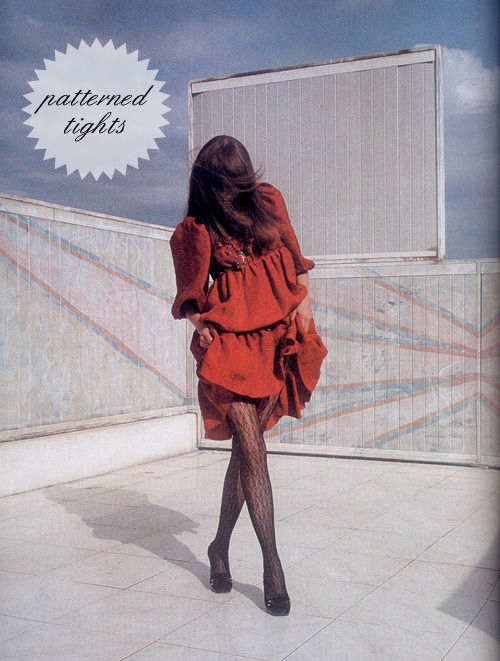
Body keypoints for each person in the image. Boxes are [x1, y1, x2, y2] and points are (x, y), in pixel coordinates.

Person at [170, 135, 327, 616]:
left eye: (236, 179)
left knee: (246, 452)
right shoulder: (197, 229)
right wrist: (201, 327)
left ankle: (219, 547)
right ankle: (272, 566)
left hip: (274, 338)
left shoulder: (268, 202)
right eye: (223, 182)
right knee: (254, 450)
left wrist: (304, 314)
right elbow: (190, 297)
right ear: (209, 183)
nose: (230, 190)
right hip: (229, 348)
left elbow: (297, 267)